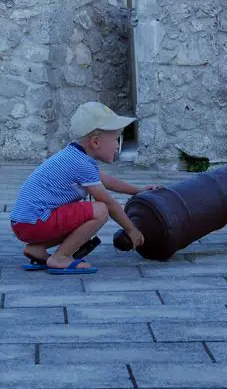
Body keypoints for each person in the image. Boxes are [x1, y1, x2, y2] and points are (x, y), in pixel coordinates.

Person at [9, 101, 159, 274]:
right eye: (116, 139)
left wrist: (137, 190)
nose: (118, 145)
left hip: (25, 222)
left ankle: (37, 248)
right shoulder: (82, 165)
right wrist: (131, 229)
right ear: (95, 142)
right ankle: (61, 257)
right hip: (36, 221)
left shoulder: (75, 156)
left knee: (85, 213)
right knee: (100, 210)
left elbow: (106, 180)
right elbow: (108, 203)